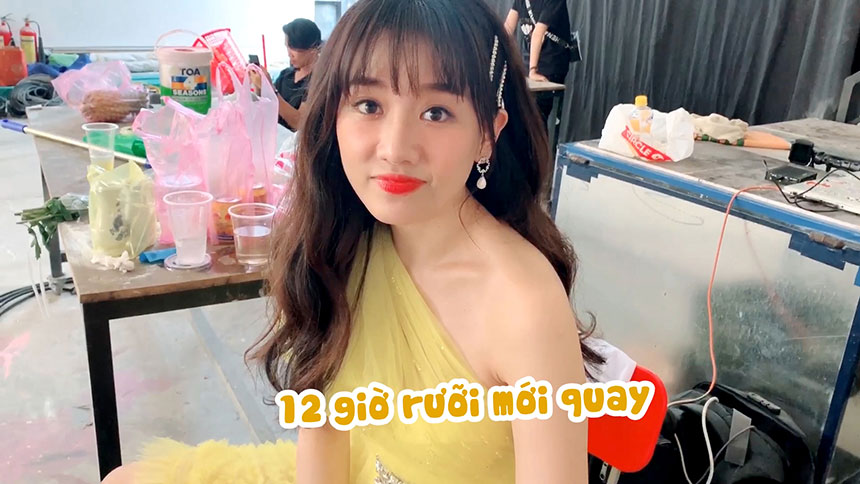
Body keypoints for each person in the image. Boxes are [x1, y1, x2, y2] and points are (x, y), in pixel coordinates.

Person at [103, 0, 603, 482]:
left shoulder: (524, 305)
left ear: (487, 135)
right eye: (369, 105)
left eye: (436, 113)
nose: (395, 149)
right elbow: (325, 429)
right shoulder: (345, 241)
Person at [505, 0, 572, 125]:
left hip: (550, 63)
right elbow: (507, 29)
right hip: (527, 63)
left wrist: (533, 70)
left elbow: (538, 33)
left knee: (537, 116)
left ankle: (538, 137)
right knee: (523, 114)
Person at [251, 18, 322, 131]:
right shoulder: (286, 75)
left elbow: (299, 123)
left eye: (293, 48)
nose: (289, 54)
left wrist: (271, 89)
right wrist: (259, 86)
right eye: (287, 47)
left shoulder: (319, 81)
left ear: (313, 49)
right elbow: (267, 107)